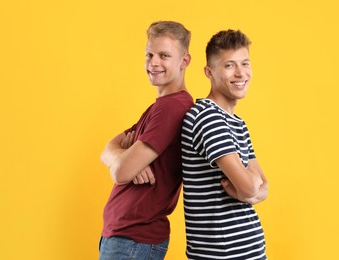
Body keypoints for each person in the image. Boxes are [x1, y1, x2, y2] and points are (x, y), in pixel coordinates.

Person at [99, 21, 193, 260]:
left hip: (134, 241)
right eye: (149, 54)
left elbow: (120, 173)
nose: (153, 62)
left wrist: (127, 163)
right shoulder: (158, 107)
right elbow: (107, 150)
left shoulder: (173, 108)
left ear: (184, 61)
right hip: (124, 238)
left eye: (164, 55)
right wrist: (127, 159)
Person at [181, 29, 268, 259]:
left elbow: (264, 186)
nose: (241, 73)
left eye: (245, 63)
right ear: (209, 72)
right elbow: (251, 187)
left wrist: (246, 188)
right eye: (229, 65)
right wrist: (248, 187)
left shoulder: (238, 123)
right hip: (220, 255)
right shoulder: (207, 116)